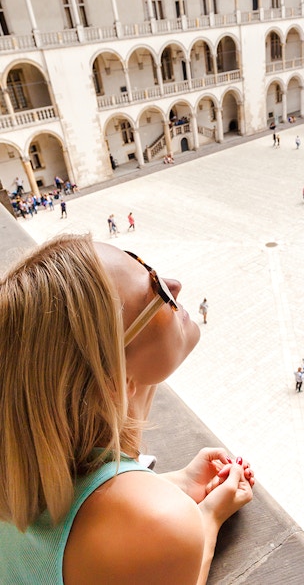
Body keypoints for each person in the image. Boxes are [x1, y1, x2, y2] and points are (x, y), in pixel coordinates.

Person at [0, 235, 254, 584]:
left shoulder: (24, 463)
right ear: (113, 379)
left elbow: (73, 515)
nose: (175, 285)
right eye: (156, 292)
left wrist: (177, 482)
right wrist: (207, 517)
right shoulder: (159, 523)